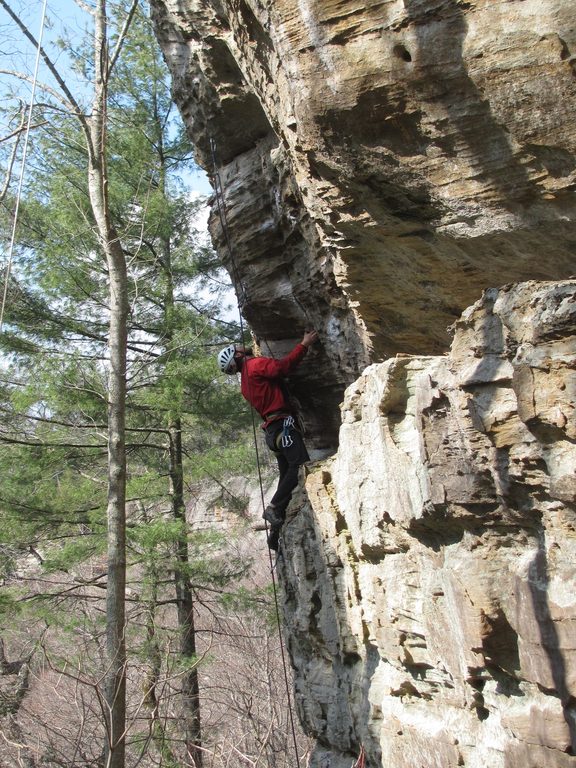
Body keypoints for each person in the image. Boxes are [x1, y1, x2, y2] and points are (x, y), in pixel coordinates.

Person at [218, 331, 319, 550]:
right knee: (299, 464)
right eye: (237, 349)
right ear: (236, 357)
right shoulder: (254, 366)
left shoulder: (245, 384)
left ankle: (275, 530)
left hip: (273, 434)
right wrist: (303, 344)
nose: (241, 347)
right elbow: (282, 368)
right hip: (282, 426)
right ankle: (273, 508)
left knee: (287, 477)